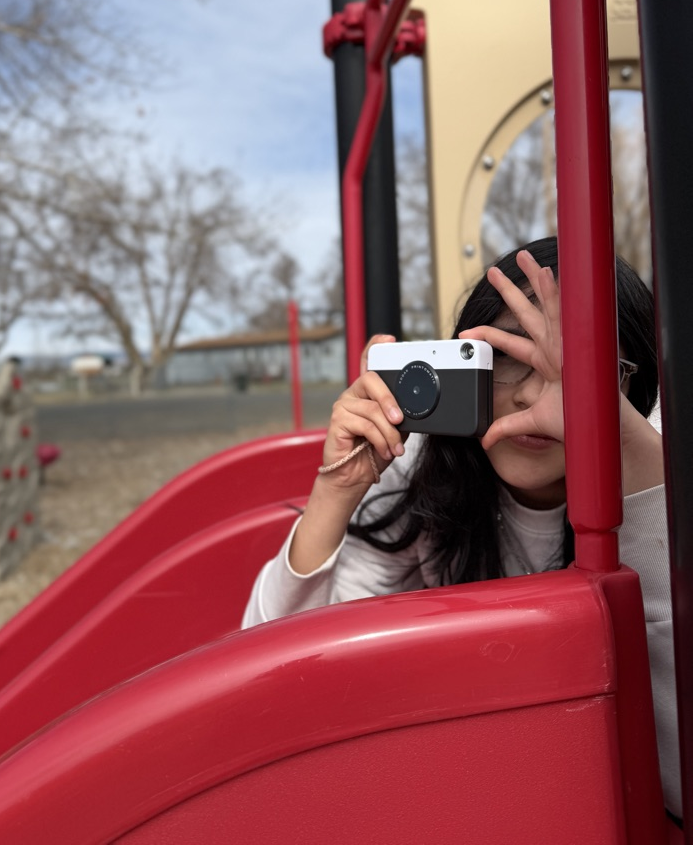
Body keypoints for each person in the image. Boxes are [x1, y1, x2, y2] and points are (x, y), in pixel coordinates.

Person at [242, 236, 679, 818]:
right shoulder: (425, 477)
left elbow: (677, 778)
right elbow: (272, 682)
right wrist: (336, 490)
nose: (534, 394)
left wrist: (624, 443)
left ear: (633, 388)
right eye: (505, 357)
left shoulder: (661, 479)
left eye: (581, 367)